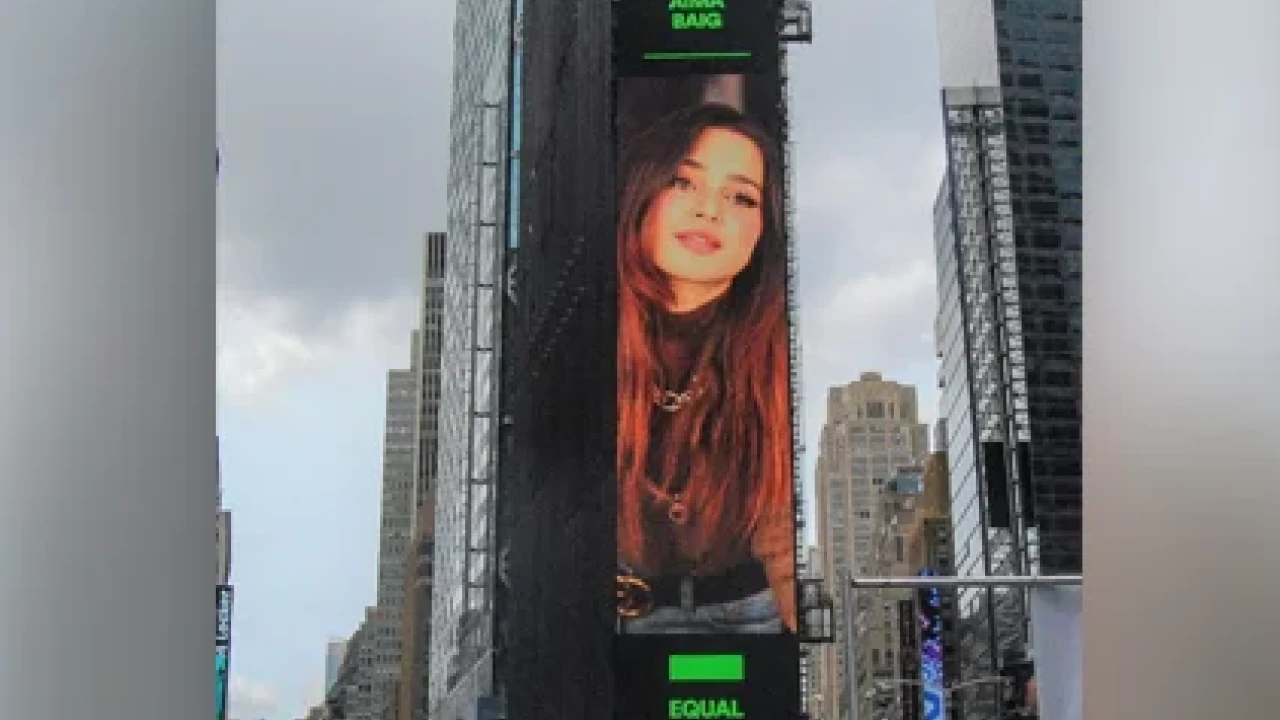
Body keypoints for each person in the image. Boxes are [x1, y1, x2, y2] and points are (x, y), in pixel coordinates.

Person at [615, 102, 796, 634]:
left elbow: (782, 532)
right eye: (684, 182)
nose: (709, 210)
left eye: (740, 196)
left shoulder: (773, 352)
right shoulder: (586, 323)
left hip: (750, 616)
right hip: (612, 620)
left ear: (763, 229)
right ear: (641, 194)